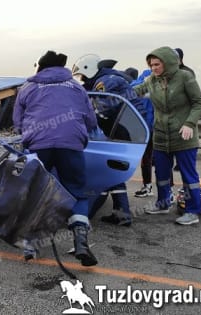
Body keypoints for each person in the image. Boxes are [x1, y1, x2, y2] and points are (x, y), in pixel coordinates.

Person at [13, 50, 98, 266]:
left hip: (38, 145)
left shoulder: (28, 87)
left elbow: (18, 121)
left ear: (40, 67)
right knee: (76, 192)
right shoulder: (77, 87)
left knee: (36, 192)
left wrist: (27, 136)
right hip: (71, 145)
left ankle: (30, 245)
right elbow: (90, 120)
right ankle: (80, 241)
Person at [72, 54, 147, 227]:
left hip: (127, 127)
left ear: (88, 70)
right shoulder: (108, 78)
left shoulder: (105, 82)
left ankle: (87, 213)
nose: (82, 80)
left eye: (82, 76)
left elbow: (103, 110)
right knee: (113, 168)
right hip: (128, 126)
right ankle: (122, 213)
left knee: (104, 167)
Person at [134, 46, 201, 225]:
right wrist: (112, 94)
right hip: (161, 136)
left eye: (157, 64)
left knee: (189, 176)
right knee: (162, 173)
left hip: (183, 136)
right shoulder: (152, 80)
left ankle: (193, 211)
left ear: (168, 63)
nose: (153, 68)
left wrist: (190, 123)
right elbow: (136, 91)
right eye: (151, 65)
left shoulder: (185, 77)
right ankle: (163, 203)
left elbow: (198, 103)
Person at [131, 69, 155, 197]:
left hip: (151, 127)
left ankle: (151, 187)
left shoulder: (162, 83)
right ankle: (148, 186)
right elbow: (132, 88)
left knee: (155, 160)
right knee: (147, 159)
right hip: (148, 127)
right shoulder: (145, 77)